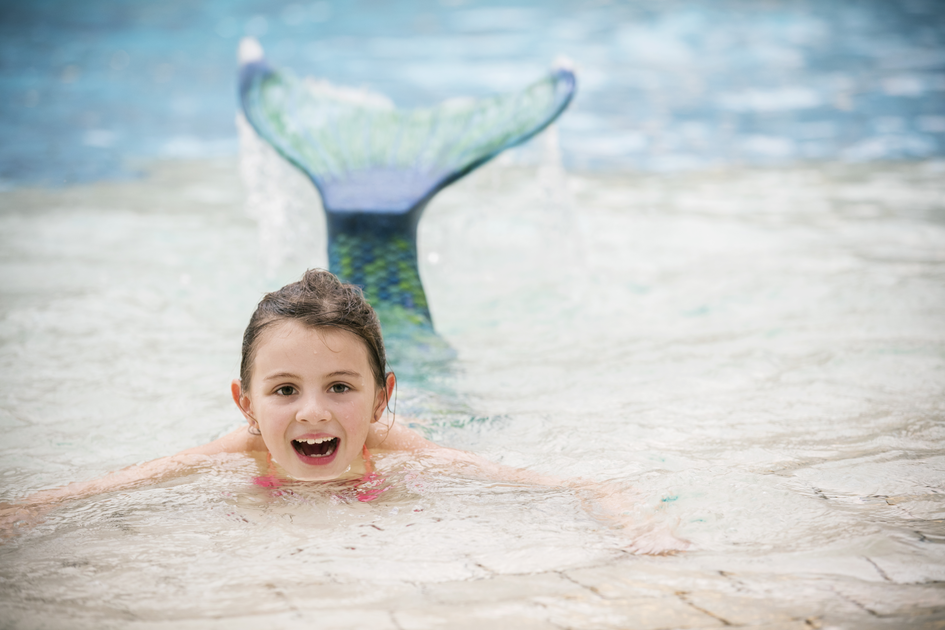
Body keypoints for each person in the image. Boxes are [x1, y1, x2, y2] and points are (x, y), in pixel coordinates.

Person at [1, 269, 687, 554]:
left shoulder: (395, 445)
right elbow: (130, 480)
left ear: (381, 398)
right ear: (245, 404)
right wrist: (29, 510)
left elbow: (515, 478)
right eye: (283, 391)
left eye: (339, 387)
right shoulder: (242, 449)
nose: (312, 413)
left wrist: (610, 502)